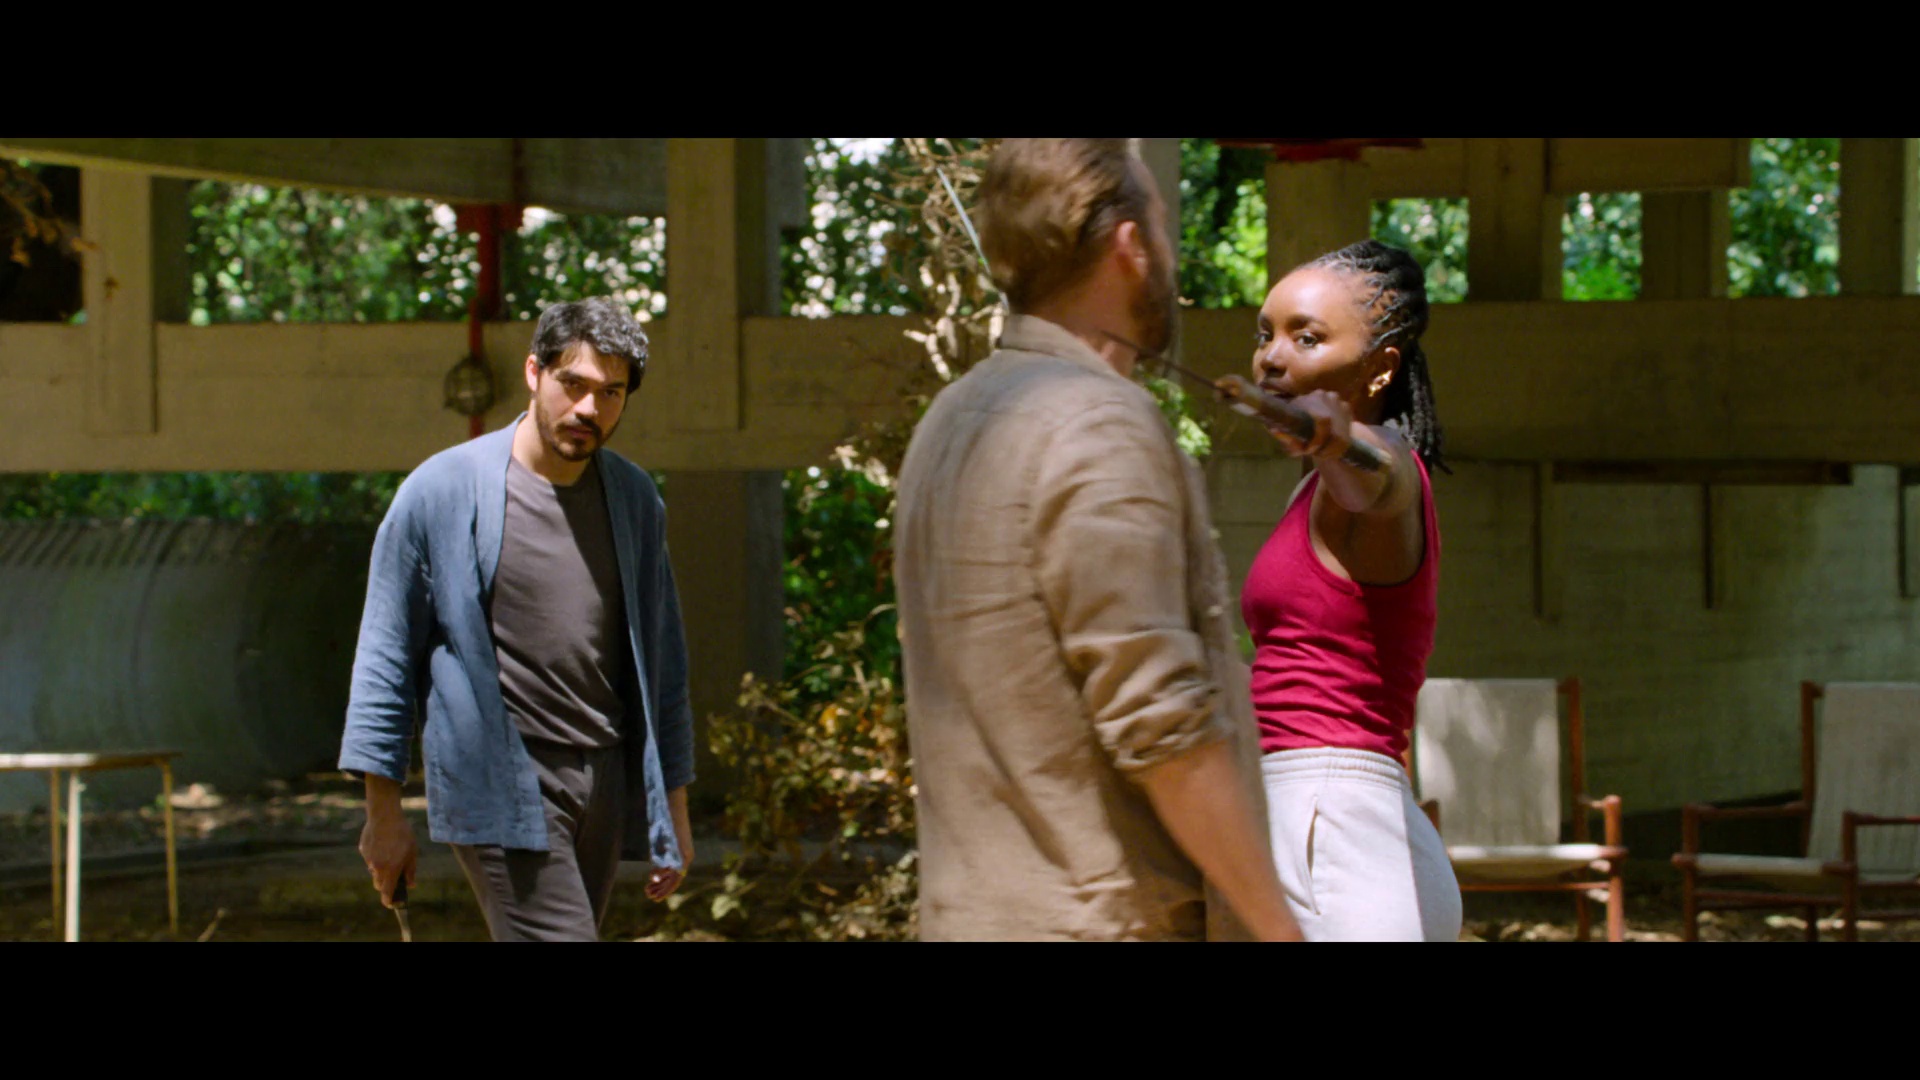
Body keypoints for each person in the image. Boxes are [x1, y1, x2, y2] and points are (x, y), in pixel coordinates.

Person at [893, 138, 1302, 941]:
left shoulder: (951, 416)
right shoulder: (1099, 424)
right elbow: (1164, 727)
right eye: (1163, 226)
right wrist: (1279, 930)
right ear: (1129, 246)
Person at [339, 297, 696, 941]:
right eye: (573, 384)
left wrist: (674, 805)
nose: (589, 408)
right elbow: (385, 654)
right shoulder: (442, 491)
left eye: (611, 393)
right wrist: (382, 812)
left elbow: (662, 662)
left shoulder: (635, 498)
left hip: (604, 778)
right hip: (503, 777)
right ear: (534, 372)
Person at [1240, 239, 1462, 941]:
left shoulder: (1386, 469)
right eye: (1266, 335)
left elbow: (1379, 474)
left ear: (1381, 367)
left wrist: (1340, 444)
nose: (1273, 358)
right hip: (1323, 824)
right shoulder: (1313, 491)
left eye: (1306, 338)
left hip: (1334, 830)